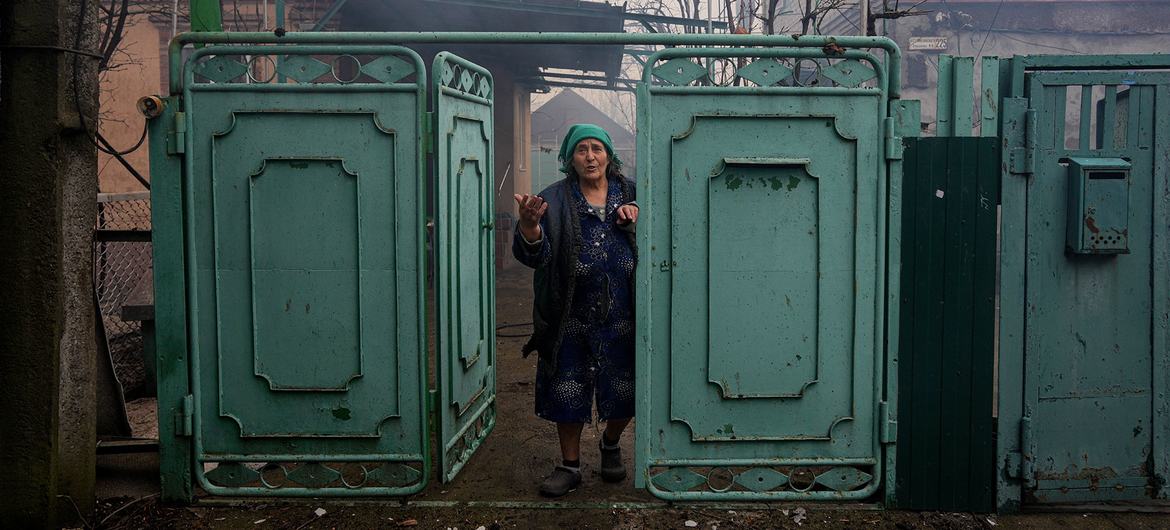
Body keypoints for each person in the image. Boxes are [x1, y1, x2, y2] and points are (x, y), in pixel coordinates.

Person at [512, 123, 639, 497]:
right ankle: (569, 466)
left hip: (624, 316)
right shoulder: (552, 199)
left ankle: (611, 444)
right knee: (567, 392)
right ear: (570, 158)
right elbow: (536, 257)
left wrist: (638, 215)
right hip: (569, 316)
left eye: (597, 149)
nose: (590, 156)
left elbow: (663, 236)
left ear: (609, 155)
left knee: (624, 389)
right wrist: (530, 227)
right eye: (581, 149)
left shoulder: (632, 192)